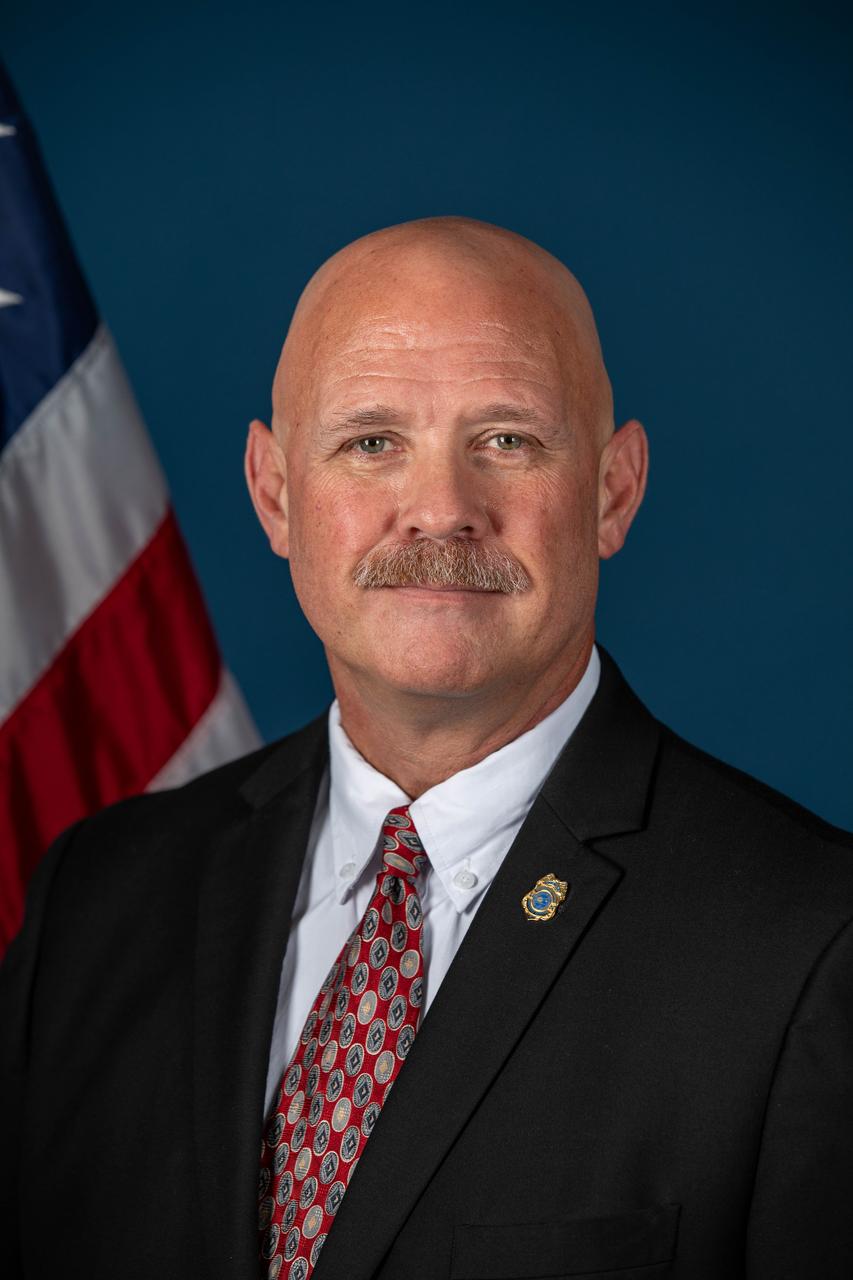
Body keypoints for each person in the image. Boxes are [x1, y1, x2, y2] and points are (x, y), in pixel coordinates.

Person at [1, 216, 851, 1280]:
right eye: (370, 441)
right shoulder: (101, 893)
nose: (441, 509)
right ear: (274, 493)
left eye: (507, 439)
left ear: (611, 490)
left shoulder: (813, 944)